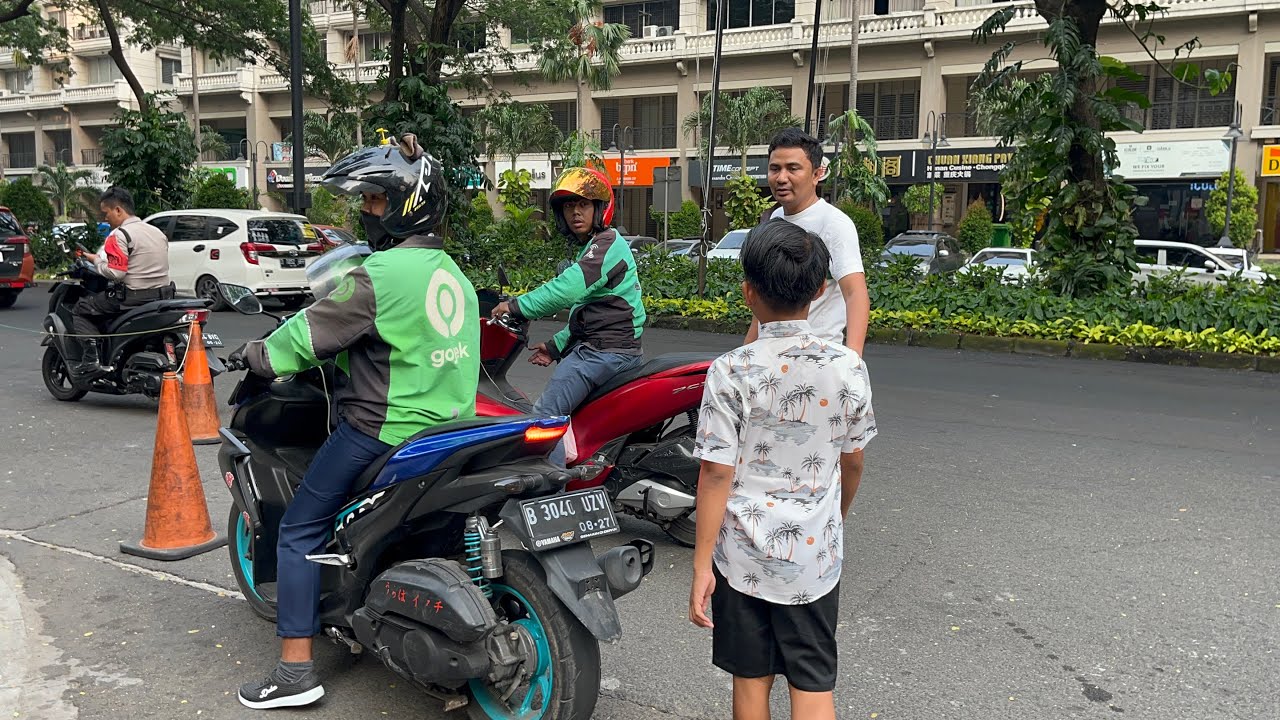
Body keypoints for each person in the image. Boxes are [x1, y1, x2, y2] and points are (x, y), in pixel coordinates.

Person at [230, 135, 480, 710]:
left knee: (297, 532)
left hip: (380, 432)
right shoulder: (454, 276)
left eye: (371, 200)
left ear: (403, 203)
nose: (363, 211)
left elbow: (301, 339)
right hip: (448, 431)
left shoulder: (380, 274)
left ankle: (295, 671)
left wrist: (254, 355)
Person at [689, 218, 877, 720]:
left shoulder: (731, 370)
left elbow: (714, 475)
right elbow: (853, 461)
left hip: (742, 556)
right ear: (819, 291)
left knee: (751, 681)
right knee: (813, 682)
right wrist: (834, 515)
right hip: (815, 558)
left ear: (748, 291)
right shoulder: (847, 368)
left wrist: (701, 564)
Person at [490, 166, 646, 466]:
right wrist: (554, 346)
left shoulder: (607, 244)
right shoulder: (597, 248)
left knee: (543, 420)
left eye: (583, 204)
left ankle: (551, 491)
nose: (575, 212)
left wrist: (515, 306)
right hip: (613, 350)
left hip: (603, 353)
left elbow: (567, 290)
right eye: (569, 206)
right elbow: (589, 310)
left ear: (600, 208)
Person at [71, 186, 172, 378]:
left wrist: (97, 262)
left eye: (106, 213)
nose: (105, 219)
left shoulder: (119, 235)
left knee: (81, 309)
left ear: (118, 210)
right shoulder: (157, 232)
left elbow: (116, 273)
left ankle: (91, 360)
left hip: (132, 298)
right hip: (161, 297)